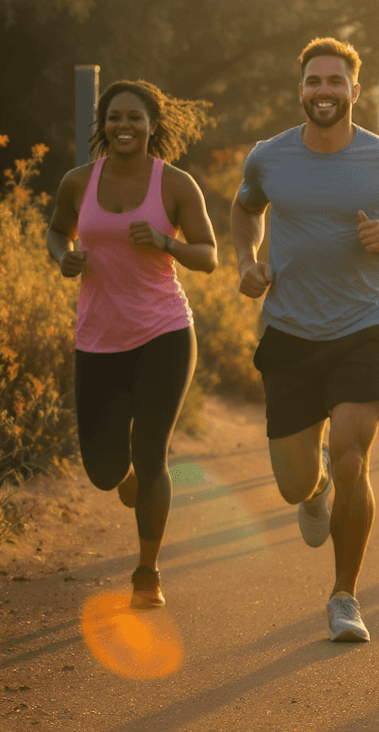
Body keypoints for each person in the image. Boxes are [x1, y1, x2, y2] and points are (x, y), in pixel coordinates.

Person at [231, 38, 379, 642]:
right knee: (294, 483)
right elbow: (245, 210)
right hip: (289, 329)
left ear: (355, 90)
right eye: (315, 81)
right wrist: (247, 261)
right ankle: (314, 492)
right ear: (302, 89)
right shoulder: (269, 157)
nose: (325, 91)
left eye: (336, 81)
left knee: (351, 455)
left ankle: (345, 596)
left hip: (364, 326)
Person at [48, 79, 217, 609]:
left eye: (135, 117)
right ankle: (127, 480)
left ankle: (147, 572)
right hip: (98, 338)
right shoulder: (78, 181)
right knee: (103, 471)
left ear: (152, 125)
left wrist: (166, 242)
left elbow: (208, 255)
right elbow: (57, 232)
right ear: (103, 125)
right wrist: (64, 257)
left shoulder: (176, 184)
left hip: (163, 332)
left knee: (151, 453)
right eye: (114, 117)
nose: (124, 126)